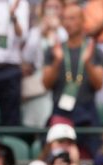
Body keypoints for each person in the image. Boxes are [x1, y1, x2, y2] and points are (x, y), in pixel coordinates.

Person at [42, 3, 103, 154]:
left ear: (83, 21)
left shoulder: (94, 50)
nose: (68, 23)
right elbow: (46, 83)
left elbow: (99, 84)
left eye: (72, 18)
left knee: (93, 153)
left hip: (87, 110)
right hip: (60, 110)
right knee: (56, 154)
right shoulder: (54, 50)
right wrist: (57, 62)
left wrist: (88, 63)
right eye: (64, 19)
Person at [20, 0, 66, 129]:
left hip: (62, 78)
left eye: (56, 7)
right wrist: (41, 31)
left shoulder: (65, 30)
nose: (52, 11)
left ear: (62, 10)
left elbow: (67, 48)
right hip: (40, 80)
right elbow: (27, 56)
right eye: (49, 7)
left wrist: (57, 29)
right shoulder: (35, 31)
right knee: (39, 121)